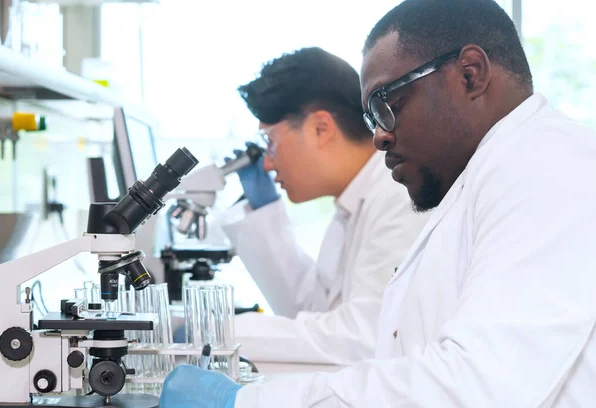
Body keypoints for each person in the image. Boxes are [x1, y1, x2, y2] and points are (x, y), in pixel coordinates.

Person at [160, 0, 596, 406]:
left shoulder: (547, 163)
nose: (378, 136)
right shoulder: (479, 180)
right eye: (371, 117)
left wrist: (246, 400)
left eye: (387, 104)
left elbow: (478, 381)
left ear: (470, 73)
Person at [219, 47, 428, 364]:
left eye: (270, 142)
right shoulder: (353, 202)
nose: (267, 163)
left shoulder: (397, 197)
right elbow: (311, 310)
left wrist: (221, 334)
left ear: (321, 129)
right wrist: (264, 212)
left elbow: (364, 336)